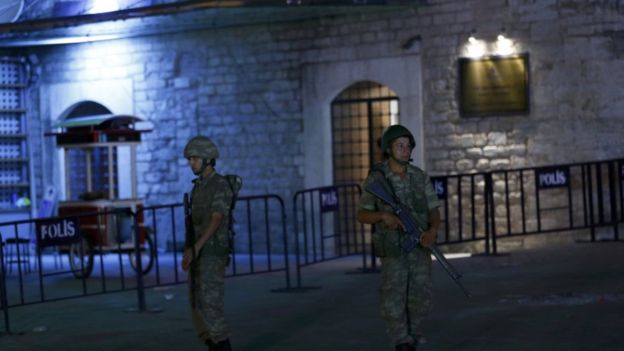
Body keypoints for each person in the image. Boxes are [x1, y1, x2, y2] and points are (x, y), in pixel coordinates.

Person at [357, 125, 441, 351]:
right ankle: (400, 340)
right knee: (393, 296)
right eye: (399, 146)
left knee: (420, 295)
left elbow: (434, 208)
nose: (405, 150)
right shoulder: (377, 179)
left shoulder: (419, 176)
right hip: (394, 249)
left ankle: (414, 335)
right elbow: (362, 214)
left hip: (420, 246)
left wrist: (433, 230)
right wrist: (383, 216)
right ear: (388, 149)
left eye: (408, 146)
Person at [182, 136, 234, 351]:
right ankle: (212, 344)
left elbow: (216, 219)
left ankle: (223, 347)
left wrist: (196, 247)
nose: (191, 163)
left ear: (208, 160)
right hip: (198, 251)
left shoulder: (220, 185)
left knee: (211, 305)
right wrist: (189, 249)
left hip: (212, 252)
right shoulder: (198, 187)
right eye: (190, 159)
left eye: (194, 159)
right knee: (197, 303)